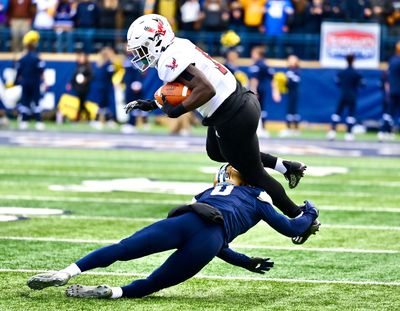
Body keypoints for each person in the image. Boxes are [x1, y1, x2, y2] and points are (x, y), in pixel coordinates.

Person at [26, 164, 320, 299]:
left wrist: (244, 260)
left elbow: (178, 212)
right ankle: (113, 293)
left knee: (123, 249)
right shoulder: (258, 197)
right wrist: (310, 213)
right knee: (154, 283)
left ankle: (64, 273)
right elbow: (289, 228)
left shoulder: (208, 191)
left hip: (188, 220)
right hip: (211, 238)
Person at [125, 14, 307, 221]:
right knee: (216, 152)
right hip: (238, 102)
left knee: (253, 173)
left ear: (156, 41)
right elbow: (183, 86)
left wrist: (174, 112)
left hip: (232, 113)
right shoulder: (178, 46)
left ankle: (300, 216)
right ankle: (286, 166)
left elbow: (205, 90)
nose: (140, 55)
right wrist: (154, 103)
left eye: (142, 48)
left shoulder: (169, 59)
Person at [327, 54, 364, 141]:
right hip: (352, 95)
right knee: (351, 115)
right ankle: (349, 134)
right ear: (353, 60)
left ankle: (332, 132)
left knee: (337, 114)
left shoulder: (342, 73)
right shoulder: (356, 73)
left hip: (342, 95)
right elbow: (362, 84)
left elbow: (337, 83)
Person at [15, 30, 46, 130]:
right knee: (35, 102)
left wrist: (17, 81)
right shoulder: (36, 58)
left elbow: (18, 73)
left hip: (26, 82)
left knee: (25, 101)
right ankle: (38, 121)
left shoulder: (23, 58)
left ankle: (24, 121)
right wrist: (44, 82)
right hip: (34, 82)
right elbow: (41, 72)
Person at [248, 46, 275, 138]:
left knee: (256, 109)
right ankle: (261, 128)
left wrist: (253, 90)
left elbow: (254, 79)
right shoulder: (264, 64)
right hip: (262, 90)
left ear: (259, 54)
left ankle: (258, 129)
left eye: (254, 53)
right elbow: (272, 77)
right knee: (261, 109)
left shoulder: (258, 64)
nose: (252, 55)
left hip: (258, 90)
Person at [380, 41, 400, 140]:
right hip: (396, 89)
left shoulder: (392, 60)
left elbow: (386, 75)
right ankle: (385, 131)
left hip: (392, 89)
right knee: (390, 111)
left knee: (389, 111)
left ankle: (385, 131)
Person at [67, 51, 93, 121]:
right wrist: (70, 84)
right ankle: (85, 116)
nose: (81, 59)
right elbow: (74, 77)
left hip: (84, 88)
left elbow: (91, 76)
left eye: (82, 57)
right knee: (81, 103)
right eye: (80, 57)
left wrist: (86, 80)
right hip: (78, 88)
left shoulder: (87, 67)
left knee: (81, 103)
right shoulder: (78, 67)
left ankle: (80, 117)